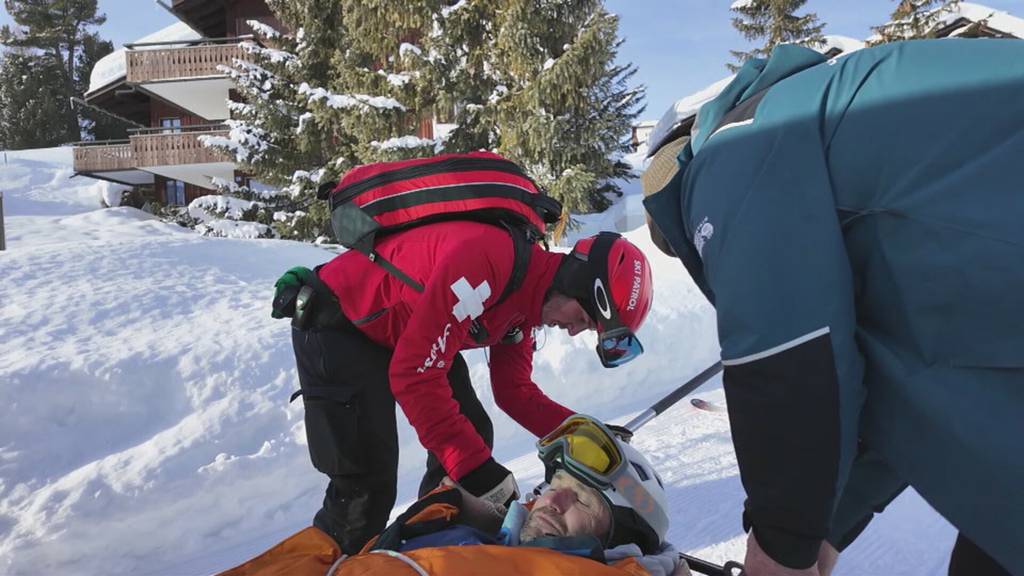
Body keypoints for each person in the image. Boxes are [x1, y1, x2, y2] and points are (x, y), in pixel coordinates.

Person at [641, 38, 1024, 576]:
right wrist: (823, 526)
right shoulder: (818, 122)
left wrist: (781, 543)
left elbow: (790, 357)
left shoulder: (733, 146)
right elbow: (902, 405)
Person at [272, 220, 654, 556]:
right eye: (583, 319)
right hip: (341, 319)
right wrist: (479, 471)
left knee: (471, 433)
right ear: (576, 283)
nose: (573, 331)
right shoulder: (488, 262)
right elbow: (413, 376)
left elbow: (514, 391)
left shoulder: (526, 305)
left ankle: (424, 548)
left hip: (404, 330)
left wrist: (585, 433)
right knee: (366, 489)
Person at [215, 414, 692, 576]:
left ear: (622, 536)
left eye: (583, 500)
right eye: (554, 486)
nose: (551, 501)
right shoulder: (480, 534)